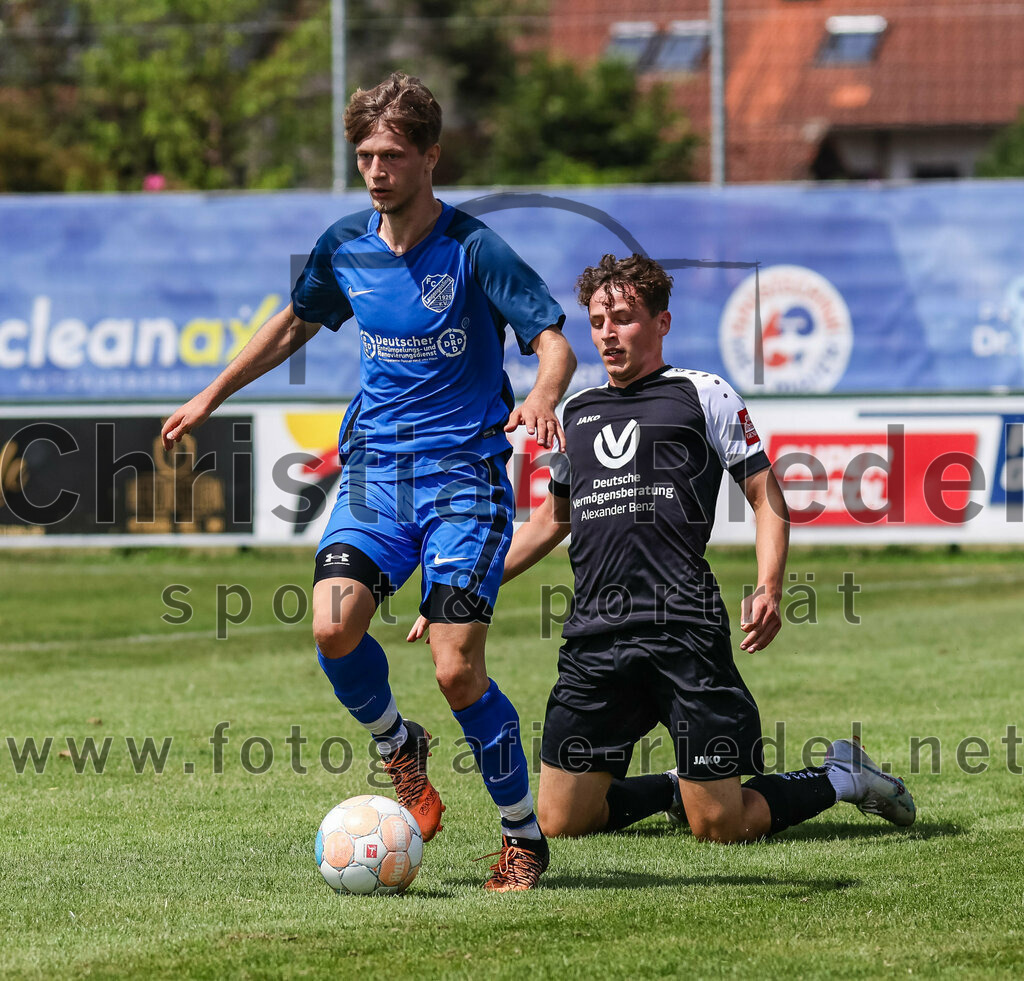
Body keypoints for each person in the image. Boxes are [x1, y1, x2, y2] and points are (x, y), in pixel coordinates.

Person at [162, 72, 576, 891]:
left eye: (392, 154)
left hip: (465, 482)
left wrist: (540, 393)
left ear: (430, 155)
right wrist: (212, 392)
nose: (377, 170)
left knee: (458, 668)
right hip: (376, 479)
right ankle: (399, 746)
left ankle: (522, 835)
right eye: (365, 156)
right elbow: (295, 322)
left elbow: (553, 338)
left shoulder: (473, 248)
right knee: (331, 625)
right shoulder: (346, 244)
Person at [412, 252, 914, 844]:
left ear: (661, 323)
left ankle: (840, 776)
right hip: (596, 637)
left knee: (721, 828)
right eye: (598, 322)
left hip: (682, 630)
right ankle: (681, 785)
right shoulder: (577, 411)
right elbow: (552, 519)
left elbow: (767, 496)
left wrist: (770, 585)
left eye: (623, 319)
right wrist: (469, 587)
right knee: (561, 821)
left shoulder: (702, 394)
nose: (607, 334)